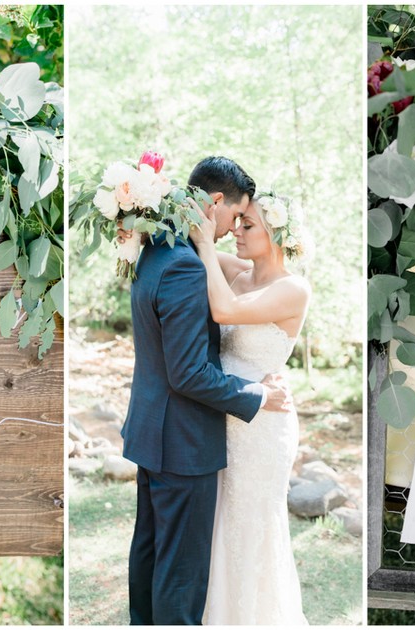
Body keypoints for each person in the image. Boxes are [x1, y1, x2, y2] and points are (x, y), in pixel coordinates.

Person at [121, 156, 292, 625]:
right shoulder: (186, 268)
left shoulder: (157, 247)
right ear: (215, 202)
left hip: (153, 436)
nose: (232, 228)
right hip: (184, 443)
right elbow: (190, 374)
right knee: (181, 576)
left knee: (151, 557)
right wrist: (256, 395)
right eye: (235, 216)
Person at [190, 190, 311, 624]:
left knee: (250, 528)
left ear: (275, 233)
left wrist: (208, 244)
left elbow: (223, 311)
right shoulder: (239, 271)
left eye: (248, 225)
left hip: (263, 425)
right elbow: (186, 246)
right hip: (224, 416)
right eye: (237, 222)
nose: (236, 231)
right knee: (221, 523)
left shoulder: (293, 289)